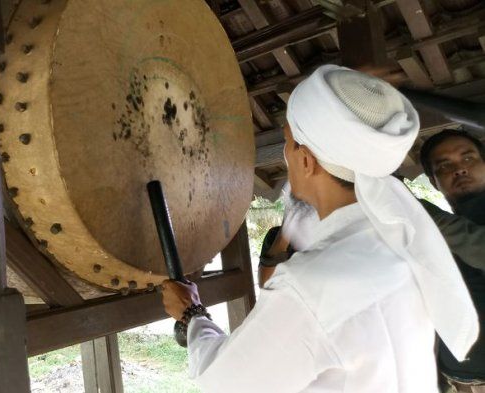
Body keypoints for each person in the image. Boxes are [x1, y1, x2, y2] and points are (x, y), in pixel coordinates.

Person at [160, 65, 479, 393]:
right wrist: (347, 102)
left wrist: (192, 315)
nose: (285, 155)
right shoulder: (395, 238)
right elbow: (307, 211)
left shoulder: (310, 285)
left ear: (306, 160)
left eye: (287, 143)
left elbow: (225, 381)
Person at [419, 129, 485, 392]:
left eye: (468, 158)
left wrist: (418, 212)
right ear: (434, 181)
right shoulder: (433, 237)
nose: (459, 169)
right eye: (444, 166)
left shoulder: (435, 226)